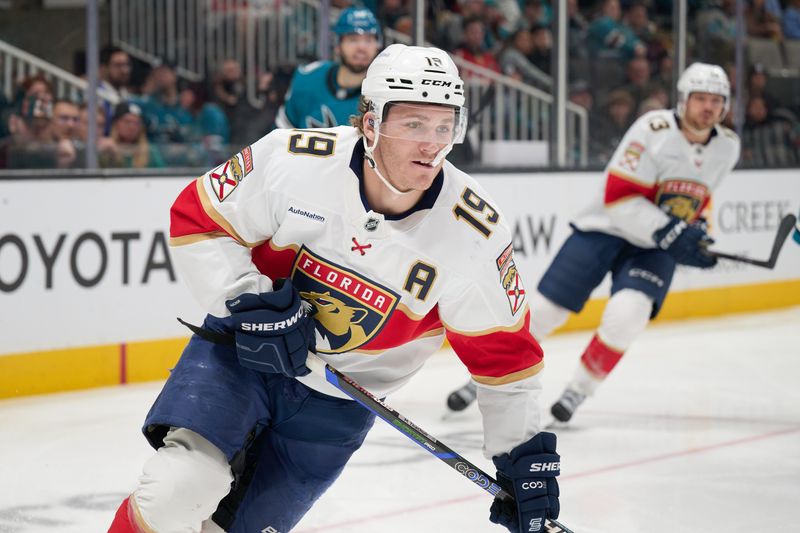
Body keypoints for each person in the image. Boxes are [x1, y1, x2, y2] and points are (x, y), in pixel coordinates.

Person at [108, 43, 561, 533]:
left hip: (339, 405)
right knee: (179, 490)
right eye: (413, 125)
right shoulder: (292, 159)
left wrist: (520, 454)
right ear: (370, 124)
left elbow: (505, 358)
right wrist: (247, 299)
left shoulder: (474, 232)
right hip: (244, 358)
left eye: (444, 125)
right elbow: (198, 219)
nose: (432, 143)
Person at [446, 62, 741, 423]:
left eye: (715, 100)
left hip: (653, 245)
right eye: (700, 98)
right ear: (683, 100)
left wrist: (697, 238)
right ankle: (482, 379)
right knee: (545, 311)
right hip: (604, 228)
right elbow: (618, 197)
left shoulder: (727, 147)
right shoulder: (654, 129)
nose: (708, 107)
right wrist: (673, 232)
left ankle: (578, 391)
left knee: (627, 316)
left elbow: (696, 200)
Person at [275, 7, 381, 129]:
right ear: (337, 44)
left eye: (368, 40)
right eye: (353, 40)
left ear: (377, 46)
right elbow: (281, 131)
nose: (361, 47)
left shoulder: (382, 93)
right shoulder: (308, 77)